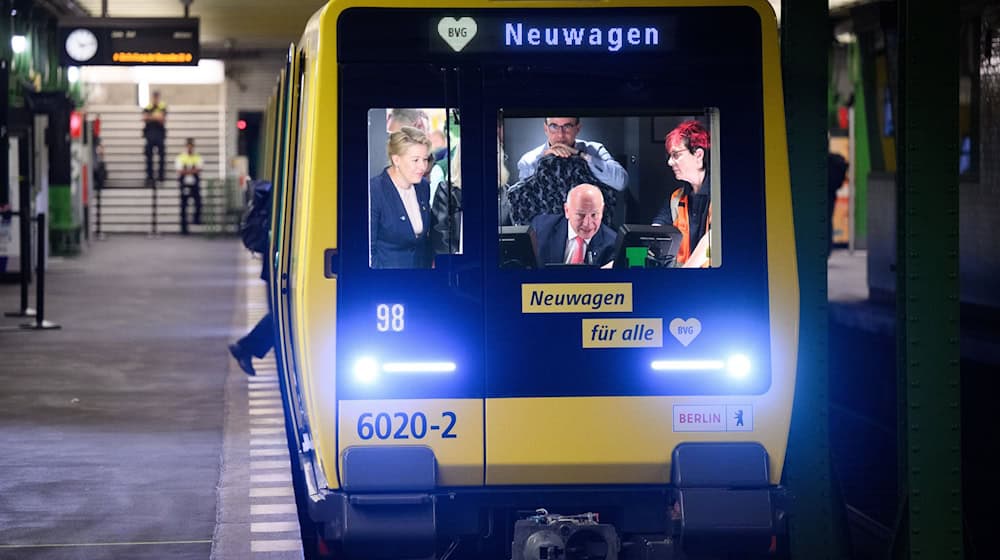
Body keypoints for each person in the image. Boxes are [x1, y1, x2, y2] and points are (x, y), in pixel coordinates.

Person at [369, 126, 435, 268]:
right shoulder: (374, 191)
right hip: (387, 283)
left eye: (425, 159)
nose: (423, 166)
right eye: (415, 160)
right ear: (396, 160)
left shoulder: (423, 187)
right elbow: (368, 250)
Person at [652, 120, 712, 267]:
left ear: (698, 155)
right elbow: (654, 233)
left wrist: (686, 274)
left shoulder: (722, 195)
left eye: (676, 155)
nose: (670, 162)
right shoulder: (676, 198)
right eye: (670, 156)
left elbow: (713, 238)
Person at [229, 181, 274, 376]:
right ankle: (246, 347)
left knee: (280, 315)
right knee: (281, 315)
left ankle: (247, 348)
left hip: (275, 262)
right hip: (279, 263)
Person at [517, 117, 628, 192]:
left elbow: (621, 182)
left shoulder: (595, 150)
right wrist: (543, 164)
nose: (560, 135)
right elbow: (523, 200)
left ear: (577, 128)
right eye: (554, 126)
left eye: (567, 126)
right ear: (545, 129)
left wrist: (580, 155)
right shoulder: (528, 160)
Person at [530, 183, 617, 267]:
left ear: (602, 211)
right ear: (567, 211)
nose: (587, 223)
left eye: (594, 215)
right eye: (581, 215)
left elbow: (630, 265)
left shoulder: (613, 242)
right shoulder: (541, 228)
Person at [175, 138, 203, 234]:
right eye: (188, 146)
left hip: (194, 183)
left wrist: (186, 170)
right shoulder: (181, 157)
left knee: (198, 202)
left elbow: (199, 169)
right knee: (184, 206)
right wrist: (192, 170)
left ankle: (196, 219)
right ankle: (184, 228)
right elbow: (179, 171)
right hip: (184, 184)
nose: (190, 148)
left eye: (191, 146)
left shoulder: (197, 157)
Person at [142, 90, 168, 185]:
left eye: (157, 97)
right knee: (149, 157)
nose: (155, 99)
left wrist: (150, 117)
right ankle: (150, 176)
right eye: (154, 97)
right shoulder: (148, 107)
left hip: (159, 135)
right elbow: (144, 118)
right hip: (149, 135)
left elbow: (162, 119)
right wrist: (156, 116)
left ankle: (161, 176)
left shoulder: (162, 106)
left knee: (161, 157)